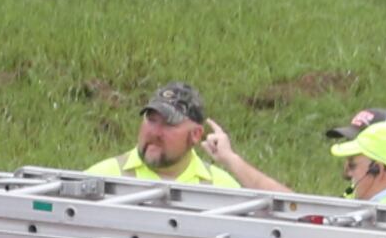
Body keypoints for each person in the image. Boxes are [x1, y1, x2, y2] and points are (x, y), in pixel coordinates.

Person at [85, 82, 276, 191]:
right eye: (151, 120)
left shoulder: (221, 188)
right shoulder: (101, 177)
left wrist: (231, 160)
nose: (155, 132)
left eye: (169, 124)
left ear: (196, 135)